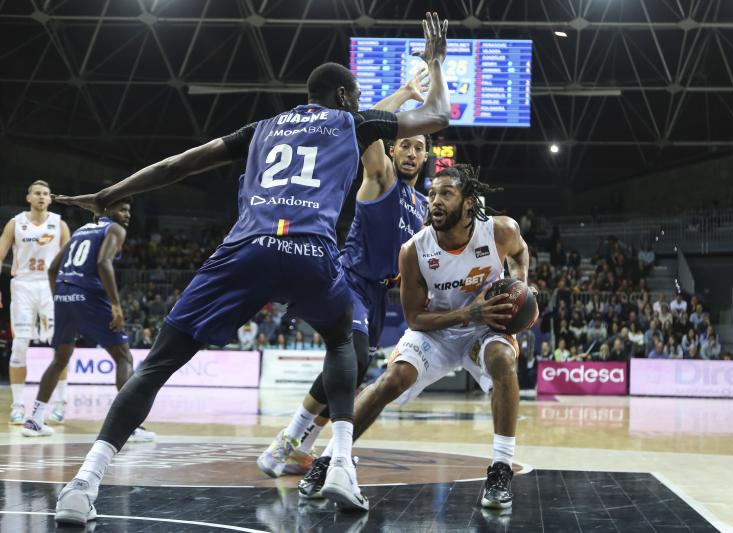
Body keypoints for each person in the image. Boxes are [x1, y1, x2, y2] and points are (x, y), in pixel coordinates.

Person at [51, 12, 451, 525]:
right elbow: (438, 113)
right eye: (355, 99)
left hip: (243, 250)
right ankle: (340, 466)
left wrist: (110, 193)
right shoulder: (350, 123)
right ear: (345, 97)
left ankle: (84, 483)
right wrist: (435, 64)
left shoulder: (260, 129)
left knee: (156, 365)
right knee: (341, 343)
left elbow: (177, 164)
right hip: (309, 251)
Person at [298, 165, 536, 510]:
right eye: (433, 194)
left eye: (446, 194)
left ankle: (501, 469)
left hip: (484, 328)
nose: (435, 201)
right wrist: (468, 313)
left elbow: (520, 252)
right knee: (392, 379)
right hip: (438, 328)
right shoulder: (413, 250)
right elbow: (414, 318)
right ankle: (332, 459)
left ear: (468, 202)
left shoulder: (500, 230)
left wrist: (521, 285)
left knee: (502, 360)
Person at [257, 71, 430, 478]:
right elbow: (360, 125)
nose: (411, 152)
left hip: (379, 294)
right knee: (352, 359)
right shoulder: (381, 177)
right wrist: (404, 93)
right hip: (348, 279)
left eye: (419, 147)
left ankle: (301, 449)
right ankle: (285, 442)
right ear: (392, 148)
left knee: (350, 376)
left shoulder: (423, 205)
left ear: (425, 157)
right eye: (405, 144)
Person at [21, 199, 154, 442]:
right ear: (107, 211)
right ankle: (129, 427)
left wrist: (61, 298)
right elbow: (103, 262)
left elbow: (52, 269)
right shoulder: (114, 229)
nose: (127, 215)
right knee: (123, 357)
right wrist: (116, 304)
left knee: (60, 360)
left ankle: (35, 420)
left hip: (64, 293)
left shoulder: (80, 230)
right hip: (90, 294)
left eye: (129, 210)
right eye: (122, 209)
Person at [0, 180, 71, 424]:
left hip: (50, 287)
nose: (42, 196)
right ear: (28, 197)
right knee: (20, 344)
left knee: (59, 344)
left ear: (50, 199)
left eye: (46, 194)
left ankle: (60, 403)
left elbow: (70, 261)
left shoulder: (59, 224)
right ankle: (18, 406)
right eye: (37, 193)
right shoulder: (15, 223)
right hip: (23, 285)